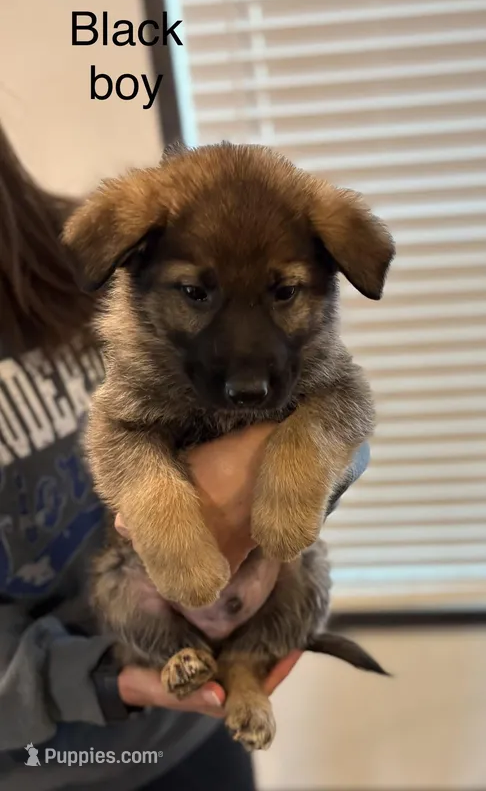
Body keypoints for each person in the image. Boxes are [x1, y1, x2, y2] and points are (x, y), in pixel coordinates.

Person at [0, 122, 369, 790]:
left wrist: (274, 475)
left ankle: (242, 674)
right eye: (196, 296)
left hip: (196, 741)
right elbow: (122, 433)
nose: (248, 369)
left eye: (283, 292)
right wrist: (109, 684)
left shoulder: (84, 240)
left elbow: (349, 412)